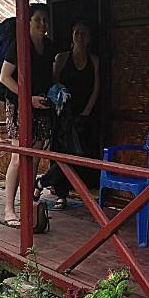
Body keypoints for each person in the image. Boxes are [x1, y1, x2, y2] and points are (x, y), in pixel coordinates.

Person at [0, 4, 55, 228]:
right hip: (19, 105)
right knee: (18, 157)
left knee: (35, 157)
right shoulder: (19, 45)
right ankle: (9, 209)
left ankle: (26, 207)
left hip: (41, 106)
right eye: (37, 19)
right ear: (28, 22)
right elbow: (5, 77)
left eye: (44, 20)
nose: (42, 24)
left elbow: (49, 75)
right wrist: (27, 98)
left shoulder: (48, 46)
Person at [35, 19, 100, 208]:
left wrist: (86, 113)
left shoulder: (94, 60)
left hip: (84, 115)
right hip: (63, 115)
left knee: (79, 156)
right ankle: (60, 195)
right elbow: (53, 84)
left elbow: (96, 88)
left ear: (89, 38)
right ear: (72, 36)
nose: (80, 36)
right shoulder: (62, 58)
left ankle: (42, 182)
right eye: (76, 33)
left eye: (83, 33)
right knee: (61, 154)